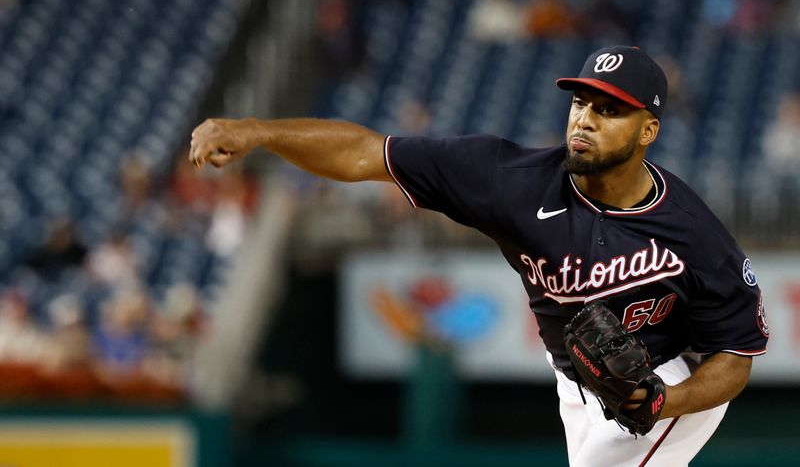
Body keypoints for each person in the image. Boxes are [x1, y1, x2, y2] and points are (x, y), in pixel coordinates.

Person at [189, 46, 768, 466]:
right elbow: (368, 154)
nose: (585, 118)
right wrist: (260, 130)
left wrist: (668, 400)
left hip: (669, 379)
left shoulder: (695, 234)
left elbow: (737, 356)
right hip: (577, 382)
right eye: (581, 102)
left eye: (610, 110)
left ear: (649, 131)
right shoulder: (508, 179)